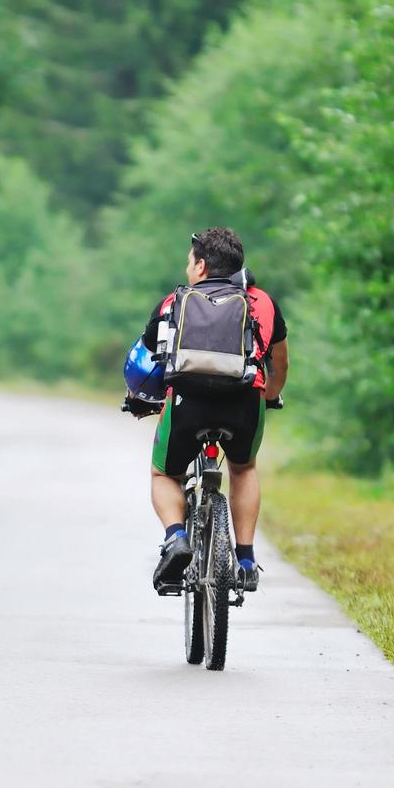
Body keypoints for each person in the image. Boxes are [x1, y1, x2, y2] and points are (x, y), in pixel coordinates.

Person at [136, 227, 287, 592]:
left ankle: (175, 538)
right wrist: (270, 396)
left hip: (189, 404)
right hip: (244, 402)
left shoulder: (174, 302)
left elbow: (145, 361)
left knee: (163, 474)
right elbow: (278, 366)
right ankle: (247, 560)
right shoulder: (261, 303)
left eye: (190, 262)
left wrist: (140, 397)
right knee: (244, 466)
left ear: (201, 266)